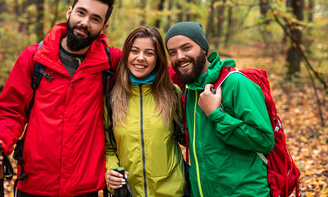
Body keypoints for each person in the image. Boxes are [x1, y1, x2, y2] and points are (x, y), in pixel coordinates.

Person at [0, 0, 122, 197]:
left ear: (103, 28)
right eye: (81, 13)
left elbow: (155, 70)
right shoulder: (34, 57)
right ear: (69, 12)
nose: (84, 22)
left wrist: (186, 65)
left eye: (95, 19)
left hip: (85, 188)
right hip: (35, 185)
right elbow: (12, 111)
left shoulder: (110, 62)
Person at [165, 22, 275, 197]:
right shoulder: (189, 91)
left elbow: (265, 140)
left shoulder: (235, 83)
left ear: (203, 48)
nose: (180, 56)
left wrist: (216, 115)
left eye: (186, 48)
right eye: (172, 52)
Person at [104, 27, 186, 196]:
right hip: (129, 192)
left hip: (172, 192)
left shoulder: (173, 94)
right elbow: (109, 148)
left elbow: (187, 139)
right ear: (126, 54)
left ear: (158, 59)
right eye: (134, 51)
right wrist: (111, 171)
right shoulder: (111, 98)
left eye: (149, 53)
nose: (140, 58)